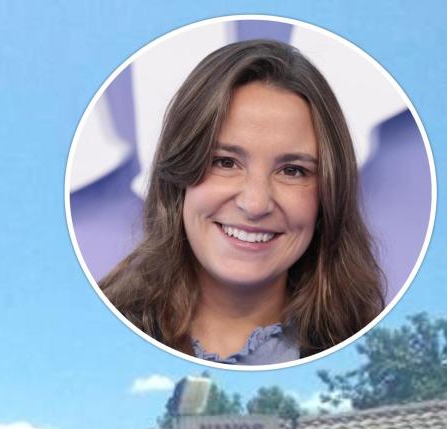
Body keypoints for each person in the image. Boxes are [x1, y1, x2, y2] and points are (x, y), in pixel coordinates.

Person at [100, 39, 384, 364]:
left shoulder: (367, 350)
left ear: (328, 195)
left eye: (292, 170)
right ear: (179, 176)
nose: (255, 203)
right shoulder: (94, 329)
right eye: (225, 162)